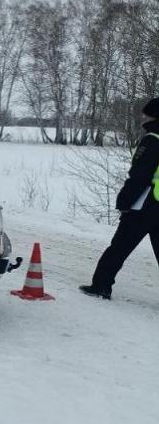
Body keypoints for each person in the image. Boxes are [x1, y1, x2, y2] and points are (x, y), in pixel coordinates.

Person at [80, 98, 159, 300]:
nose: (143, 117)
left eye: (146, 113)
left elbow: (140, 175)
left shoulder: (153, 139)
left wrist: (124, 202)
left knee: (119, 248)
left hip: (144, 205)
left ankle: (101, 287)